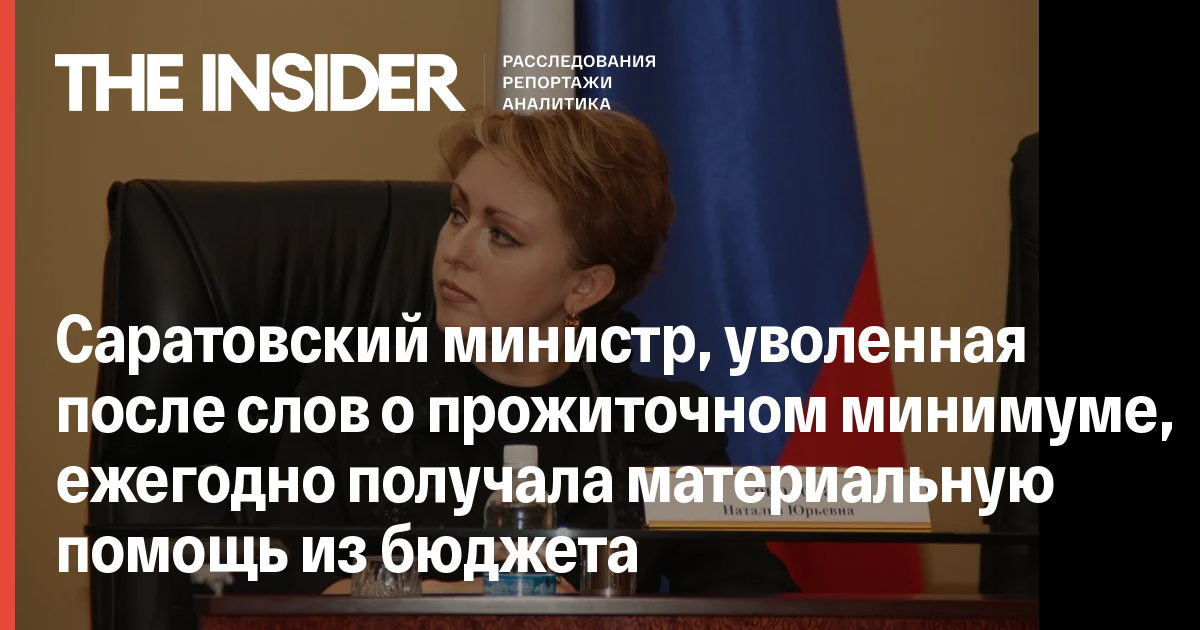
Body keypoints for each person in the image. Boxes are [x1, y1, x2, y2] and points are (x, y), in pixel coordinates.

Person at [266, 105, 800, 596]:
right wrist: (485, 599)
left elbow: (755, 603)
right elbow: (275, 592)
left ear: (584, 287)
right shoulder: (347, 394)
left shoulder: (662, 427)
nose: (454, 251)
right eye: (458, 214)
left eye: (502, 235)